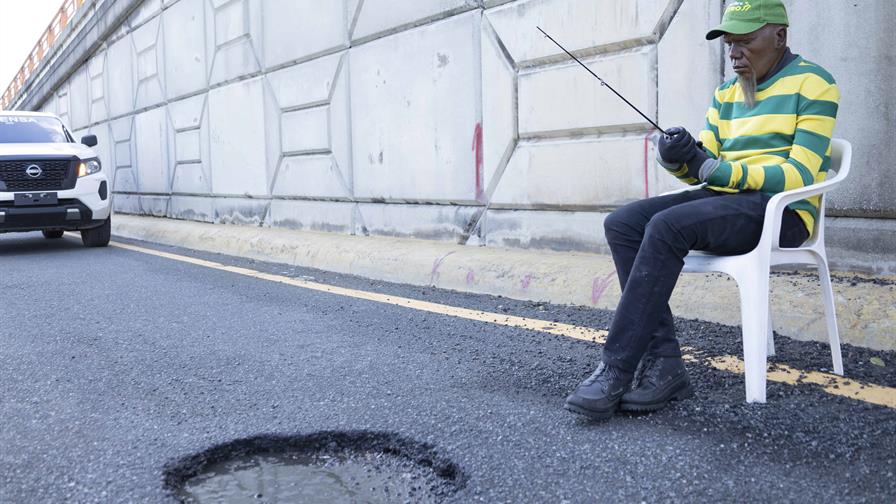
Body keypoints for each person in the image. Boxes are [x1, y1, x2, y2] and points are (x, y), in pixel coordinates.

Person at [564, 0, 839, 420]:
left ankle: (616, 368)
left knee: (668, 225)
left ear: (779, 36)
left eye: (745, 42)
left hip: (782, 214)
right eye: (730, 44)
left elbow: (800, 173)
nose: (735, 54)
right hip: (729, 202)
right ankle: (665, 365)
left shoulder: (815, 83)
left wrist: (718, 170)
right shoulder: (726, 93)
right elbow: (705, 174)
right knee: (622, 224)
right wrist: (678, 157)